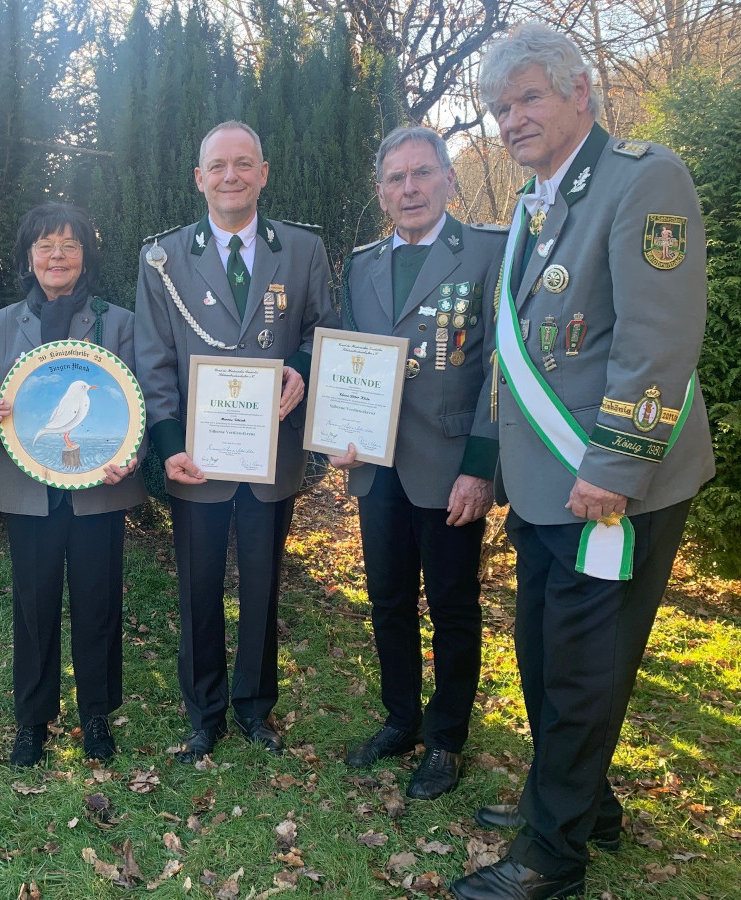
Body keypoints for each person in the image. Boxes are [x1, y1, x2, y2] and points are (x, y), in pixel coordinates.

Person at [449, 23, 715, 900]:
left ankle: (550, 857)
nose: (512, 118)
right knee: (547, 654)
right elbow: (518, 357)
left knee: (576, 665)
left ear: (580, 94)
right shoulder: (535, 203)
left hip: (609, 489)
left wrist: (616, 465)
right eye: (499, 107)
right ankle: (582, 802)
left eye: (528, 97)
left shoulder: (644, 179)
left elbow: (657, 345)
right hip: (543, 488)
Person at [134, 121, 336, 762]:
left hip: (271, 453)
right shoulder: (162, 259)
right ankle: (204, 710)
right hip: (199, 455)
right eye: (218, 166)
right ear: (199, 178)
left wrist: (303, 367)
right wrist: (168, 445)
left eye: (243, 164)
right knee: (197, 586)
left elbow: (322, 329)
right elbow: (154, 360)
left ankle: (254, 707)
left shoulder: (302, 252)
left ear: (263, 173)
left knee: (262, 582)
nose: (231, 176)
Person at [331, 127, 505, 800]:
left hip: (450, 464)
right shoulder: (363, 264)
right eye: (396, 179)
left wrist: (481, 465)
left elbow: (500, 368)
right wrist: (340, 434)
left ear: (448, 180)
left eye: (421, 174)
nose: (409, 189)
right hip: (377, 465)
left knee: (455, 607)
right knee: (388, 601)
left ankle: (446, 738)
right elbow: (349, 358)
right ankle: (401, 718)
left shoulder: (486, 253)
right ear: (381, 192)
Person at [0, 203, 146, 767]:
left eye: (68, 244)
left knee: (98, 602)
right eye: (45, 245)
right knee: (34, 606)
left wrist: (134, 454)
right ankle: (32, 720)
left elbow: (138, 400)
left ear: (84, 255)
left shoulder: (119, 322)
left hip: (101, 490)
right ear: (28, 257)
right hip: (28, 491)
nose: (57, 255)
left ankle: (96, 716)